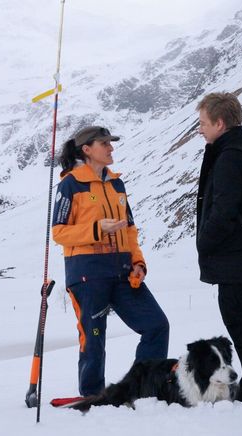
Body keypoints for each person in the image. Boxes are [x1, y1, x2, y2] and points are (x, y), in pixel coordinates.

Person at [52, 125, 170, 397]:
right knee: (94, 337)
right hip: (87, 274)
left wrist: (138, 263)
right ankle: (92, 396)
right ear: (87, 149)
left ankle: (144, 389)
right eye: (104, 143)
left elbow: (129, 229)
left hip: (123, 272)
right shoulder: (70, 184)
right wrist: (96, 229)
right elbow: (59, 232)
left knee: (156, 325)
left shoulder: (117, 183)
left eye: (110, 143)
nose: (110, 148)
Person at [195, 92, 242, 404]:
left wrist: (204, 241)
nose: (200, 129)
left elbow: (224, 210)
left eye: (203, 123)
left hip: (236, 260)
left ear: (220, 122)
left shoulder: (230, 157)